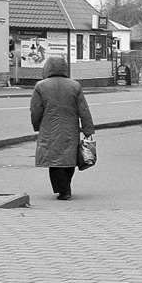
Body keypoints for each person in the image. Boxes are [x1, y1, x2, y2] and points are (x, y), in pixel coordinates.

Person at [30, 56, 95, 201]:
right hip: (70, 129)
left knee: (54, 160)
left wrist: (37, 126)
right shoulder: (74, 86)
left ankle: (64, 190)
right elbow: (83, 110)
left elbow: (35, 110)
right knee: (69, 158)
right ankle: (66, 187)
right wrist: (88, 129)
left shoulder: (40, 86)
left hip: (49, 128)